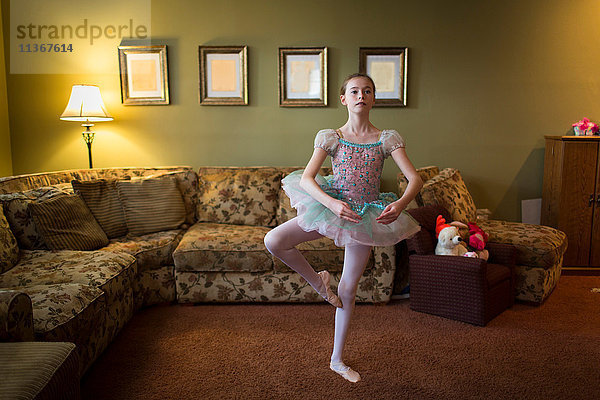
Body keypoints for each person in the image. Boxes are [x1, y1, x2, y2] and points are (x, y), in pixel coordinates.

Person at [263, 73, 423, 383]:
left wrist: (401, 204)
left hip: (365, 216)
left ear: (373, 98)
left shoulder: (386, 138)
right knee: (275, 240)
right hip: (332, 206)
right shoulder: (331, 137)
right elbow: (308, 178)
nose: (361, 95)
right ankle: (320, 285)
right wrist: (333, 204)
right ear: (344, 99)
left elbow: (415, 179)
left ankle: (337, 359)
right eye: (354, 91)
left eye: (367, 91)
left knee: (348, 290)